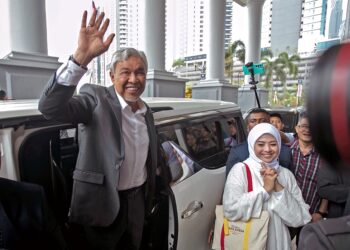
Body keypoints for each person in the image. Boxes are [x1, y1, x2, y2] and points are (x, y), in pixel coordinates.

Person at [38, 10, 158, 250]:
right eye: (126, 72)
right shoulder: (95, 99)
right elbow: (49, 107)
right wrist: (81, 57)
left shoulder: (147, 113)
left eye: (140, 72)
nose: (134, 79)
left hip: (136, 204)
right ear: (112, 75)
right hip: (100, 207)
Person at [223, 123, 311, 250]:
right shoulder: (240, 170)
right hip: (249, 242)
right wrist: (264, 191)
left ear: (279, 145)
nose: (268, 149)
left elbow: (301, 218)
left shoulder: (285, 174)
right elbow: (231, 210)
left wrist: (277, 186)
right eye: (261, 144)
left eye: (273, 144)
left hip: (279, 242)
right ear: (252, 145)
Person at [226, 108, 293, 176]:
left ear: (269, 124)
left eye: (263, 121)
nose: (258, 124)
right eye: (253, 121)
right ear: (247, 126)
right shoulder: (237, 152)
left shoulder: (285, 151)